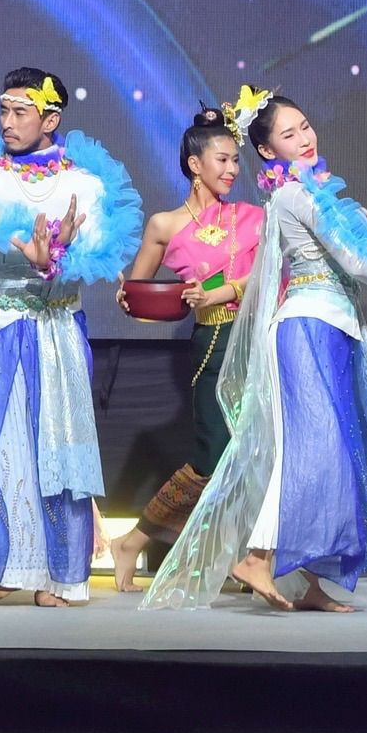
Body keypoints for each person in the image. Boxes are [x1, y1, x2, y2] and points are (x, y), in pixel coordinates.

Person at [144, 87, 367, 612]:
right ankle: (259, 555)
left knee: (331, 456)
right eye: (289, 133)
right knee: (311, 453)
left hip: (331, 324)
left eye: (306, 126)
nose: (305, 138)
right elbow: (350, 259)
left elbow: (350, 262)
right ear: (268, 150)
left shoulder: (310, 193)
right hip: (307, 326)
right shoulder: (296, 194)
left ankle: (307, 577)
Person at [0, 66, 141, 604]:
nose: (7, 121)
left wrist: (59, 256)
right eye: (3, 109)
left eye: (20, 111)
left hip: (55, 329)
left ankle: (62, 577)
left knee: (57, 452)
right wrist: (28, 251)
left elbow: (96, 256)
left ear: (50, 119)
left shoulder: (85, 183)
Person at [107, 105, 264, 592]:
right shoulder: (165, 224)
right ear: (195, 164)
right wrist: (128, 299)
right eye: (222, 159)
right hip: (213, 341)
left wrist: (226, 289)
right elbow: (139, 293)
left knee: (254, 454)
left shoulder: (254, 217)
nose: (232, 169)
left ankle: (242, 557)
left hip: (258, 341)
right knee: (213, 454)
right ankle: (133, 541)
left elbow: (269, 275)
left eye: (235, 160)